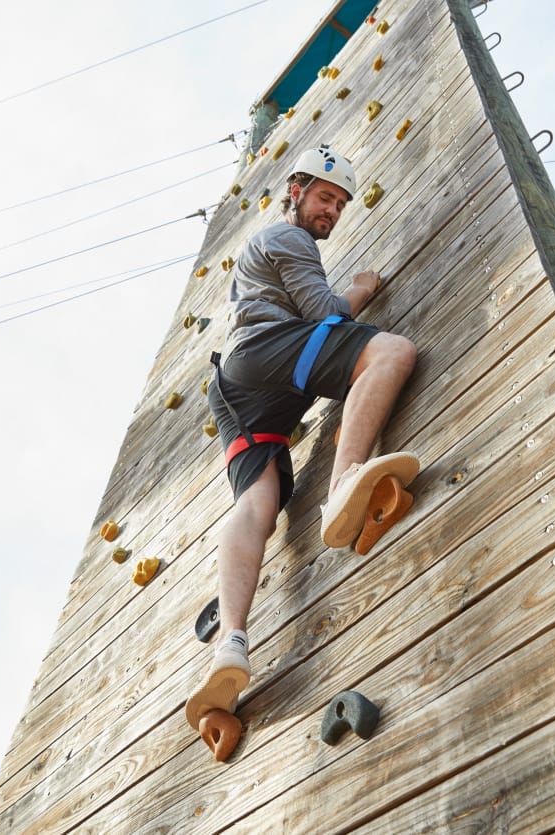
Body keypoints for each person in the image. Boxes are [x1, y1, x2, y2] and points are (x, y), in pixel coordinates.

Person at [185, 144, 419, 731]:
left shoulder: (268, 256)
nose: (331, 211)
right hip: (267, 358)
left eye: (339, 204)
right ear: (295, 190)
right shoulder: (288, 240)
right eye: (323, 197)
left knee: (258, 502)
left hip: (236, 390)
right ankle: (343, 487)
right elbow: (326, 314)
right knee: (390, 351)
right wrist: (362, 290)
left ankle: (231, 645)